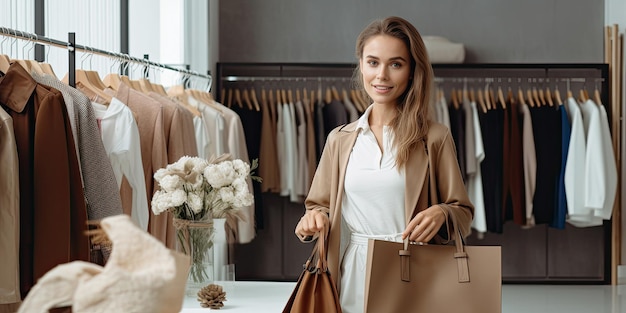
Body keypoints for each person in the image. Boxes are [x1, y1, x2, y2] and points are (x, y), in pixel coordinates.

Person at [294, 16, 474, 313]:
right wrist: (312, 220)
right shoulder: (340, 139)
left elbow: (463, 212)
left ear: (412, 70)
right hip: (351, 274)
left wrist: (442, 213)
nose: (382, 76)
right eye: (373, 62)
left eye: (396, 64)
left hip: (414, 270)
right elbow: (318, 207)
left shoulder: (434, 137)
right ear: (361, 65)